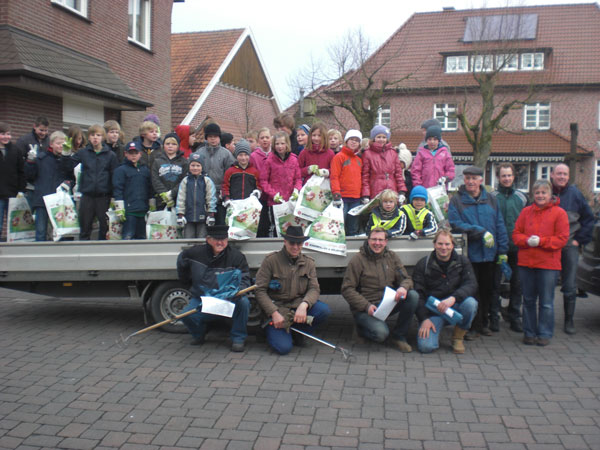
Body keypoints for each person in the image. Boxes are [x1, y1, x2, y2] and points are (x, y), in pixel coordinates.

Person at [448, 165, 508, 339]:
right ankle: (471, 326)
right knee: (471, 291)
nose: (471, 182)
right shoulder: (457, 200)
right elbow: (455, 223)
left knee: (488, 290)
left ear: (481, 180)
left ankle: (484, 323)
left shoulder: (491, 199)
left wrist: (502, 249)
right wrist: (479, 231)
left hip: (490, 254)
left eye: (474, 178)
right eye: (467, 178)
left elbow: (499, 225)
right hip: (470, 255)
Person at [255, 225, 331, 355]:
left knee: (323, 310)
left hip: (297, 307)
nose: (296, 247)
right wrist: (273, 313)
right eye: (292, 243)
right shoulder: (271, 261)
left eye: (299, 243)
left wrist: (304, 304)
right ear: (285, 242)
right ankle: (273, 330)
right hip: (278, 310)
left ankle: (296, 332)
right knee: (283, 348)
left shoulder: (309, 263)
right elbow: (259, 290)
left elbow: (314, 289)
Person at [341, 226, 418, 352]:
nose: (377, 243)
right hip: (365, 309)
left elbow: (407, 279)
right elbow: (347, 289)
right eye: (374, 240)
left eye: (381, 240)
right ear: (368, 240)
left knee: (413, 296)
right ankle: (361, 329)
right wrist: (366, 306)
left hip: (387, 304)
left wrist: (403, 288)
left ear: (386, 242)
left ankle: (399, 336)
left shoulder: (392, 257)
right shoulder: (357, 260)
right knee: (381, 334)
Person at [177, 225, 251, 351]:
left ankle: (238, 338)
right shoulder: (195, 253)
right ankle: (199, 334)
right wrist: (187, 282)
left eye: (223, 239)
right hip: (204, 298)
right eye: (216, 239)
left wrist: (236, 291)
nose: (220, 242)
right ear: (208, 239)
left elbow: (245, 278)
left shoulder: (237, 256)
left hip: (229, 299)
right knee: (185, 315)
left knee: (244, 303)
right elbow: (182, 261)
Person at [513, 179, 569, 346]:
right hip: (526, 263)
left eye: (544, 192)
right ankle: (529, 332)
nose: (540, 195)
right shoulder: (526, 212)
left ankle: (544, 333)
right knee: (528, 300)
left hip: (548, 265)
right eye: (537, 192)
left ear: (550, 194)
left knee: (546, 302)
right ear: (533, 195)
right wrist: (526, 240)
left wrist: (542, 241)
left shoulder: (559, 213)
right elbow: (516, 234)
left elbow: (562, 239)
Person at [413, 230, 478, 354]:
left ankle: (458, 337)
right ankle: (435, 326)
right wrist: (424, 318)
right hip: (433, 312)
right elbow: (418, 294)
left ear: (452, 245)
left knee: (471, 303)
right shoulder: (423, 264)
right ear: (434, 244)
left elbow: (471, 284)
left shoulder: (462, 262)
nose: (444, 247)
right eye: (440, 244)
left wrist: (453, 298)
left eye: (447, 244)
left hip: (454, 307)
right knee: (426, 347)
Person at [550, 163, 595, 334]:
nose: (562, 177)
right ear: (552, 174)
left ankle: (569, 321)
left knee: (569, 285)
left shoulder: (575, 194)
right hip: (550, 247)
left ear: (569, 176)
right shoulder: (546, 192)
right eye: (559, 173)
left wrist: (579, 240)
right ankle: (548, 320)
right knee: (548, 284)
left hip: (570, 246)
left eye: (565, 174)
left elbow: (588, 219)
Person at [62, 124, 118, 240]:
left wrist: (114, 196)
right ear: (89, 137)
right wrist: (66, 154)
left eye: (98, 135)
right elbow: (67, 167)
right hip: (87, 196)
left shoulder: (110, 155)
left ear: (103, 137)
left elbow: (114, 176)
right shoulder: (83, 153)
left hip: (103, 196)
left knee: (104, 227)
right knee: (85, 227)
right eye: (92, 135)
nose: (95, 138)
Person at [490, 163, 527, 332]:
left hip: (518, 247)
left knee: (517, 283)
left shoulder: (522, 198)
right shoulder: (492, 197)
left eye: (509, 175)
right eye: (503, 175)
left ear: (513, 177)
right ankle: (494, 315)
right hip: (497, 248)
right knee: (495, 284)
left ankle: (514, 316)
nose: (506, 178)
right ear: (498, 177)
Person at [24, 131, 71, 241]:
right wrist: (30, 161)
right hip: (43, 200)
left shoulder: (66, 160)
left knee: (61, 233)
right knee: (41, 232)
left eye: (63, 144)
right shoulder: (41, 158)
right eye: (58, 143)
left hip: (60, 202)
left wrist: (68, 183)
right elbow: (30, 176)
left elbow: (71, 176)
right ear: (51, 144)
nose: (61, 146)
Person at [191, 123, 235, 225]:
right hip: (203, 193)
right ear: (206, 138)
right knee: (204, 224)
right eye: (210, 137)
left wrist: (225, 193)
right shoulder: (200, 153)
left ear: (219, 138)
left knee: (220, 223)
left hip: (220, 195)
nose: (213, 139)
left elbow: (230, 175)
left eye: (215, 136)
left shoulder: (226, 154)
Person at [259, 131, 302, 236]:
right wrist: (273, 194)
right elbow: (263, 180)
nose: (280, 146)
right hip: (275, 202)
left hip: (290, 201)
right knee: (277, 228)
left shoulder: (293, 159)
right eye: (277, 144)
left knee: (291, 228)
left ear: (287, 144)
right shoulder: (269, 160)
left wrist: (296, 190)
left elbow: (298, 178)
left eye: (282, 143)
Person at [112, 142, 153, 239]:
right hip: (129, 211)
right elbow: (118, 189)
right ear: (126, 154)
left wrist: (151, 204)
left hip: (143, 210)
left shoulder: (145, 170)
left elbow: (150, 188)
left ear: (140, 154)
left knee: (143, 238)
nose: (133, 155)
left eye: (136, 153)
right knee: (128, 237)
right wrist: (119, 207)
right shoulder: (121, 170)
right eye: (131, 153)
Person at [330, 129, 363, 236]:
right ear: (346, 141)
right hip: (342, 197)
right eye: (351, 139)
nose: (354, 142)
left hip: (356, 198)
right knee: (340, 227)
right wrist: (336, 194)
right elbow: (334, 177)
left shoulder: (359, 159)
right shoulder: (339, 157)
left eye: (357, 140)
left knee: (353, 228)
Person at [176, 153, 217, 239]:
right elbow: (181, 198)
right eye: (193, 165)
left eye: (198, 165)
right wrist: (180, 214)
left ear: (202, 167)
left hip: (203, 216)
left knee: (202, 239)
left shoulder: (206, 181)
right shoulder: (185, 181)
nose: (195, 168)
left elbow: (211, 198)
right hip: (188, 216)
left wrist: (211, 214)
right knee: (188, 239)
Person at [361, 125, 406, 202]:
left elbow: (398, 174)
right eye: (378, 137)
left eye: (384, 137)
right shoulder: (368, 154)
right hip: (375, 190)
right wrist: (366, 195)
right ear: (374, 138)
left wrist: (402, 191)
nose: (381, 139)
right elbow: (365, 176)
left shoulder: (393, 153)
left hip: (391, 190)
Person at [15, 116, 49, 206]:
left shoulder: (49, 142)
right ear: (34, 126)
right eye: (41, 130)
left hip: (43, 185)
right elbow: (17, 161)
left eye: (46, 130)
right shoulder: (24, 140)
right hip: (28, 185)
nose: (43, 133)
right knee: (26, 215)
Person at [0, 122, 25, 238]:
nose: (6, 137)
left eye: (8, 134)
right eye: (3, 134)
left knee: (14, 224)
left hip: (12, 194)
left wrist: (21, 190)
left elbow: (21, 171)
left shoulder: (15, 150)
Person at [151, 132, 188, 210]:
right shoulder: (157, 161)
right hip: (161, 201)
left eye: (173, 144)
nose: (170, 146)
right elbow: (155, 179)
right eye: (167, 144)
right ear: (163, 145)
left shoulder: (184, 162)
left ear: (178, 146)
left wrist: (171, 193)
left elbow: (184, 180)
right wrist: (164, 194)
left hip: (178, 200)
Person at [411, 125, 454, 189]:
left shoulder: (444, 153)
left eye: (435, 139)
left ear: (439, 141)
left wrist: (446, 178)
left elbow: (451, 169)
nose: (432, 142)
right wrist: (418, 186)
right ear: (426, 140)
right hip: (425, 188)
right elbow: (415, 171)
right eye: (429, 139)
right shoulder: (421, 153)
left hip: (440, 188)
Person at [250, 127, 272, 237]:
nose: (265, 140)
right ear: (258, 140)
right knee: (262, 223)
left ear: (271, 139)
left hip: (274, 193)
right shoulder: (254, 156)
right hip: (261, 194)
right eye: (262, 138)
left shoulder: (275, 153)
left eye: (267, 137)